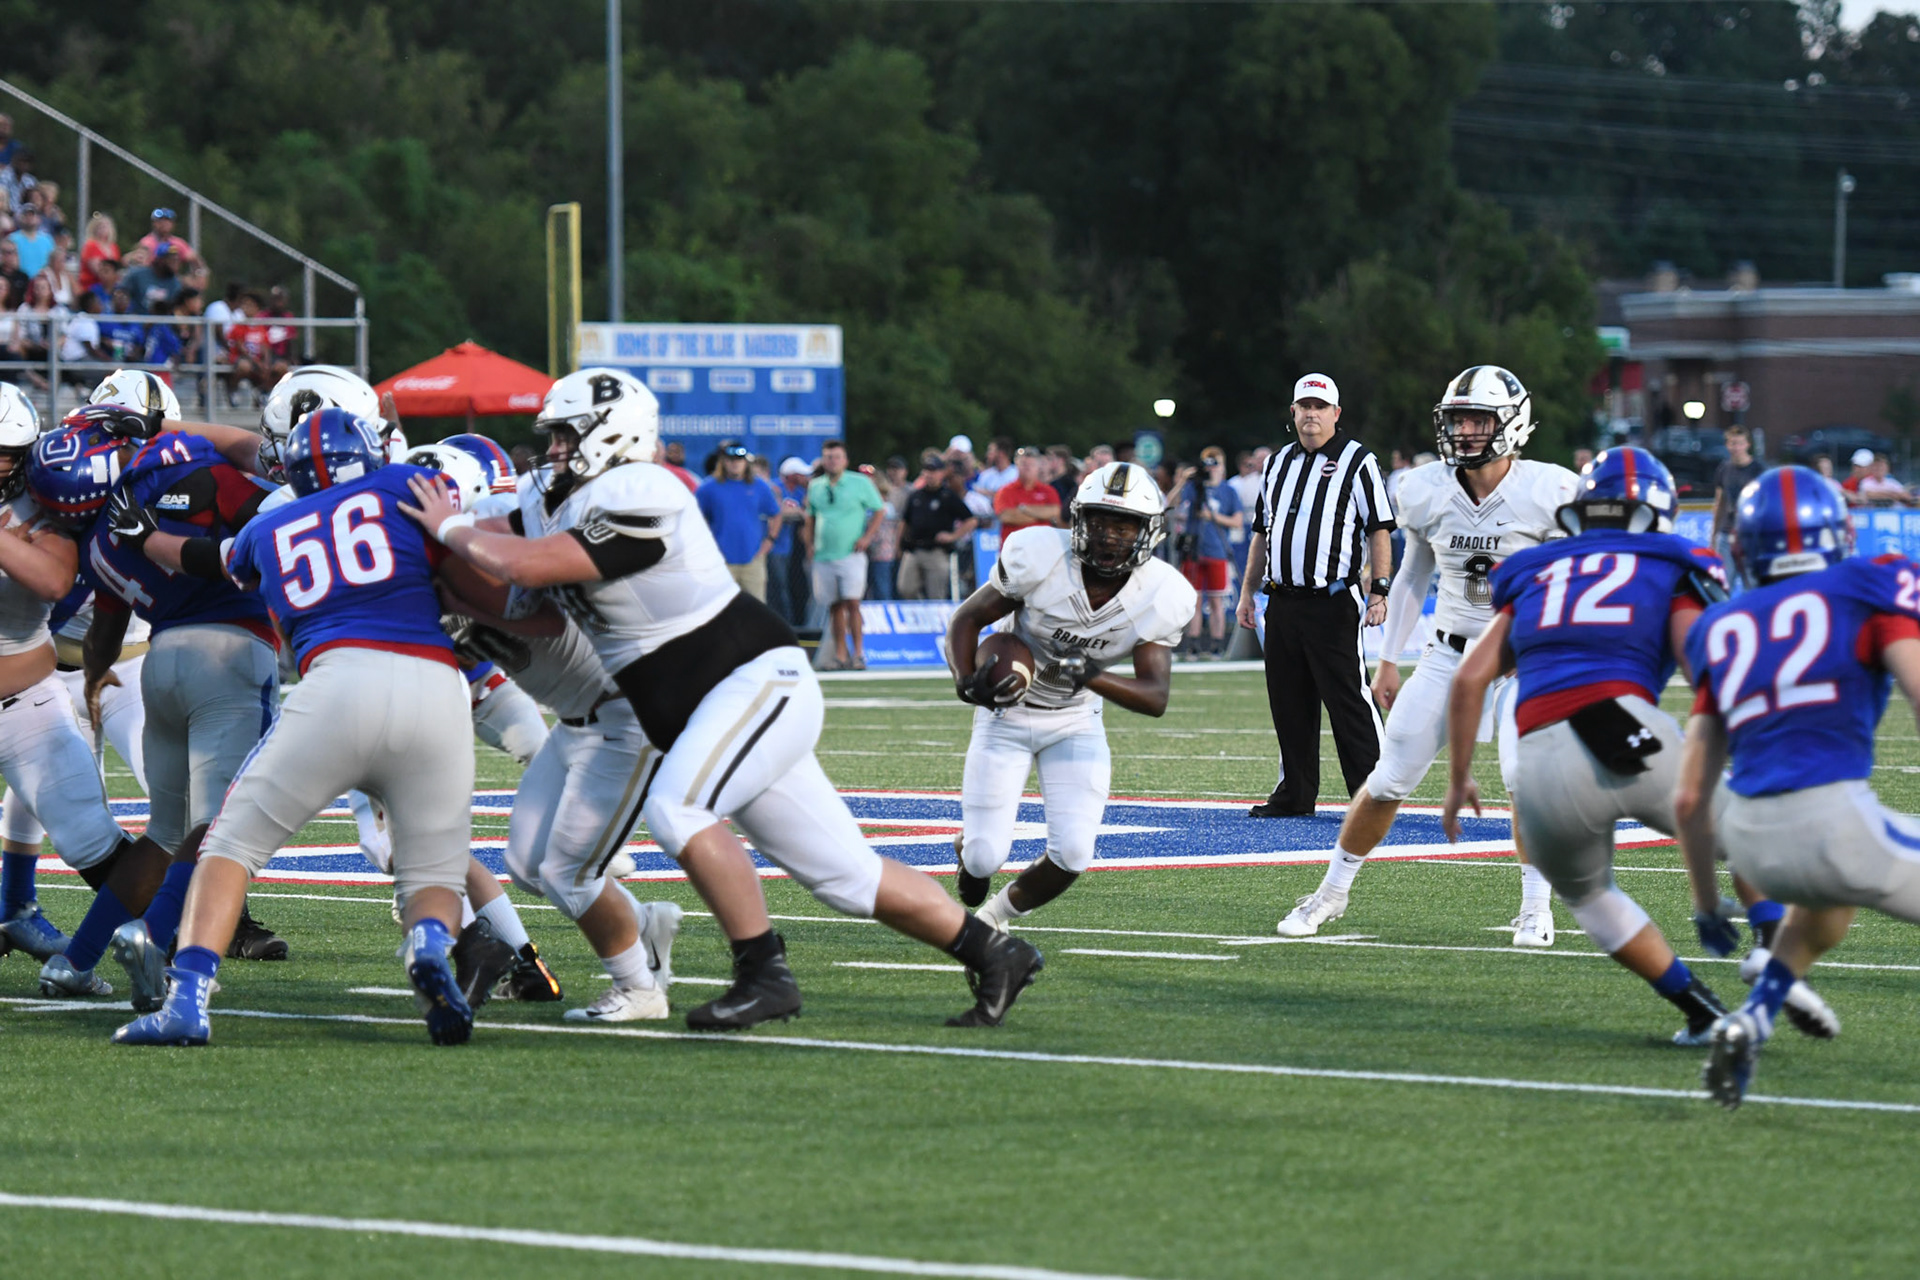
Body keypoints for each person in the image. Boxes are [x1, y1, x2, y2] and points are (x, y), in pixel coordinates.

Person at [399, 366, 1045, 1030]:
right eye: (553, 436)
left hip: (750, 680)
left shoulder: (640, 488)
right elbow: (505, 546)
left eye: (568, 435)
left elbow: (520, 564)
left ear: (612, 434)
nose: (555, 449)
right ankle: (995, 952)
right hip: (710, 706)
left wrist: (448, 530)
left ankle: (764, 974)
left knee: (677, 809)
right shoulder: (553, 497)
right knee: (848, 878)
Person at [113, 409, 478, 1047]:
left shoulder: (269, 525)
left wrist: (145, 538)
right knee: (432, 874)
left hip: (336, 684)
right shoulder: (405, 483)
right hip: (435, 684)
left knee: (228, 846)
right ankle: (426, 945)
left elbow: (205, 557)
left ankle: (187, 1000)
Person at [1441, 449, 1822, 1045]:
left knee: (1591, 898)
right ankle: (1773, 951)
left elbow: (1470, 679)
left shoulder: (1534, 568)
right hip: (1623, 728)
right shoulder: (1672, 560)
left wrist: (1459, 777)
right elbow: (1703, 666)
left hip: (1539, 759)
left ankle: (1700, 1011)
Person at [1274, 366, 1578, 947]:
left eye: (1478, 420)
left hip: (1525, 659)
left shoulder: (1552, 490)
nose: (1464, 432)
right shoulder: (1424, 488)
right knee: (1388, 778)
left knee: (1526, 777)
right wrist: (1389, 658)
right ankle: (1331, 893)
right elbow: (1414, 572)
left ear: (1512, 423)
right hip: (1449, 655)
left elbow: (1569, 586)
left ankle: (1536, 908)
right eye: (1457, 420)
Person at [1678, 467, 1919, 1107]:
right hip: (1833, 821)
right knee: (1840, 869)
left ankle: (1752, 1019)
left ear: (1745, 547)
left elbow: (1690, 797)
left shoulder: (1718, 626)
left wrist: (1706, 905)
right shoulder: (1871, 583)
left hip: (1750, 842)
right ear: (1839, 532)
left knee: (1824, 911)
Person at [947, 462, 1196, 931]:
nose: (1108, 536)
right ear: (1080, 518)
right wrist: (965, 679)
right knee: (983, 857)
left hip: (1074, 720)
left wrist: (1091, 675)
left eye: (1124, 526)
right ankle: (967, 850)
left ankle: (994, 919)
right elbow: (967, 619)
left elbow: (1155, 697)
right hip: (1008, 714)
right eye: (1099, 521)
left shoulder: (1163, 593)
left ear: (1148, 530)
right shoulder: (1040, 556)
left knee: (1075, 851)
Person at [1236, 374, 1395, 819]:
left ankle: (1373, 794)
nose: (1311, 414)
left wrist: (1379, 590)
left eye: (1320, 407)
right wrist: (1247, 591)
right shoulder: (1276, 464)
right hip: (1281, 600)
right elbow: (1262, 533)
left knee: (1348, 700)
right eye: (1304, 406)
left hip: (1332, 600)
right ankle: (1295, 793)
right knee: (1288, 701)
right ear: (1293, 412)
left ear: (1336, 414)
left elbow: (1379, 528)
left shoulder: (1358, 460)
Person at [805, 439, 885, 670]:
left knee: (853, 602)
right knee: (834, 606)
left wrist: (867, 537)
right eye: (828, 457)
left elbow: (879, 510)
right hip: (824, 554)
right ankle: (840, 654)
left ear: (845, 460)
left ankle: (858, 653)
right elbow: (810, 516)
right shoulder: (816, 485)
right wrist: (809, 543)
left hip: (851, 553)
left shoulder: (859, 482)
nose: (832, 461)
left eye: (836, 457)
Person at [695, 441, 783, 601]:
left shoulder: (759, 486)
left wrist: (770, 539)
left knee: (756, 608)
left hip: (753, 559)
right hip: (721, 562)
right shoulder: (708, 488)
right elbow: (695, 518)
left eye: (739, 459)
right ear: (723, 461)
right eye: (730, 459)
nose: (735, 463)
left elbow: (776, 513)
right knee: (722, 607)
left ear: (746, 462)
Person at [1177, 447, 1241, 656]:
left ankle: (1216, 645)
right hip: (1194, 549)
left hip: (1217, 550)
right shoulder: (1194, 487)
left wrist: (1211, 516)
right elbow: (1172, 505)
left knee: (1216, 600)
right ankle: (1193, 644)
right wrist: (1183, 480)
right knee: (1193, 600)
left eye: (1215, 464)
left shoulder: (1228, 490)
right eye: (1208, 464)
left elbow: (1237, 521)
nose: (1211, 469)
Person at [897, 452, 976, 600]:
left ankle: (933, 614)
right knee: (905, 588)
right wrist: (899, 544)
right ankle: (919, 609)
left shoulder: (947, 496)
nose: (929, 474)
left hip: (937, 551)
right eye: (926, 471)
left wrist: (953, 536)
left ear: (941, 473)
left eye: (933, 471)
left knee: (936, 594)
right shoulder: (915, 495)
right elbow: (904, 521)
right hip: (914, 548)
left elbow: (971, 520)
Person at [1709, 424, 1764, 573]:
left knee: (1751, 579)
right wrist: (1714, 534)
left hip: (1750, 533)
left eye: (1740, 443)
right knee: (1725, 580)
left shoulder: (1758, 470)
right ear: (1727, 445)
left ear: (1747, 445)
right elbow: (1719, 502)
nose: (1737, 448)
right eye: (1733, 443)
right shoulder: (1723, 469)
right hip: (1727, 531)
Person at [768, 457, 811, 626]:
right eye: (800, 474)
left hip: (789, 546)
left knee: (789, 585)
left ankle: (790, 622)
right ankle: (782, 623)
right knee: (777, 586)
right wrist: (798, 512)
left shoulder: (799, 492)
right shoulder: (775, 487)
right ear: (791, 475)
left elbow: (808, 511)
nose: (804, 477)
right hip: (773, 545)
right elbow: (777, 511)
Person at [992, 446, 1062, 534]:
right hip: (1015, 541)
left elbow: (1056, 511)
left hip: (1042, 541)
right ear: (1017, 465)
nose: (1027, 468)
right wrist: (1042, 516)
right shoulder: (1005, 491)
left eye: (1032, 464)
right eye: (1024, 464)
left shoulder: (1048, 491)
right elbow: (1006, 516)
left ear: (1038, 467)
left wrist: (1023, 508)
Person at [122, 243, 183, 315]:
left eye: (177, 260)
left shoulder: (176, 284)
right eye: (171, 260)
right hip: (138, 319)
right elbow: (122, 293)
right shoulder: (137, 275)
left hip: (162, 321)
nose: (175, 263)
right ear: (159, 260)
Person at [7, 202, 53, 279]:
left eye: (32, 215)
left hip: (41, 281)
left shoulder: (47, 240)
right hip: (20, 281)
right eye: (26, 215)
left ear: (39, 219)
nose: (29, 218)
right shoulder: (12, 239)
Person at [78, 214, 118, 292]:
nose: (103, 229)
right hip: (92, 286)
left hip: (109, 286)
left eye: (106, 226)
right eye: (100, 226)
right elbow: (96, 269)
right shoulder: (91, 245)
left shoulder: (114, 247)